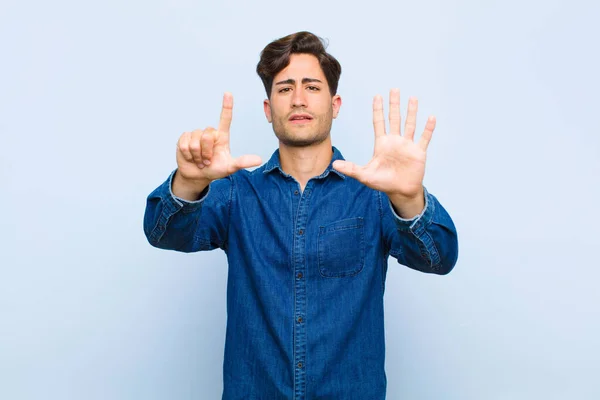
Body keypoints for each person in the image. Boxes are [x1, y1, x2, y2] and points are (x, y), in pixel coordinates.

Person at [144, 31, 458, 400]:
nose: (298, 99)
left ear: (335, 103)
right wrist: (187, 182)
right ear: (268, 109)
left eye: (311, 87)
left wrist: (408, 197)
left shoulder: (373, 196)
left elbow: (439, 258)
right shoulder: (236, 194)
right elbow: (164, 234)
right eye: (284, 88)